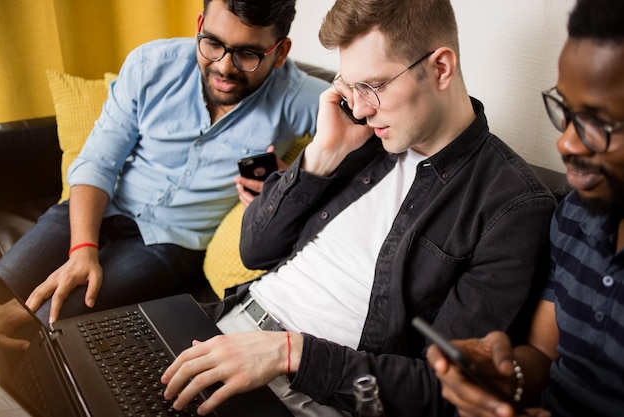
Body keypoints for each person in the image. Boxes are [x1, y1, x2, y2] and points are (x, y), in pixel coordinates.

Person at [160, 0, 557, 416]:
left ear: (441, 68)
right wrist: (322, 154)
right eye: (351, 87)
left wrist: (289, 353)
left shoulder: (511, 206)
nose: (362, 108)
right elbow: (253, 250)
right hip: (225, 328)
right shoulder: (358, 136)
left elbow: (447, 389)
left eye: (374, 86)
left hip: (307, 385)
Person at [0, 0, 328, 325]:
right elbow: (97, 162)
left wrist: (296, 181)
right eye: (213, 43)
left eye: (247, 54)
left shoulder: (303, 99)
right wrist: (83, 247)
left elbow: (368, 146)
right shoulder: (150, 65)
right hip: (100, 207)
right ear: (200, 26)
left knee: (46, 320)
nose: (224, 67)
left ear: (281, 52)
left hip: (171, 244)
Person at [425, 1, 624, 416]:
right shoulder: (576, 216)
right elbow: (542, 353)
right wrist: (505, 375)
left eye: (598, 123)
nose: (566, 143)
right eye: (566, 111)